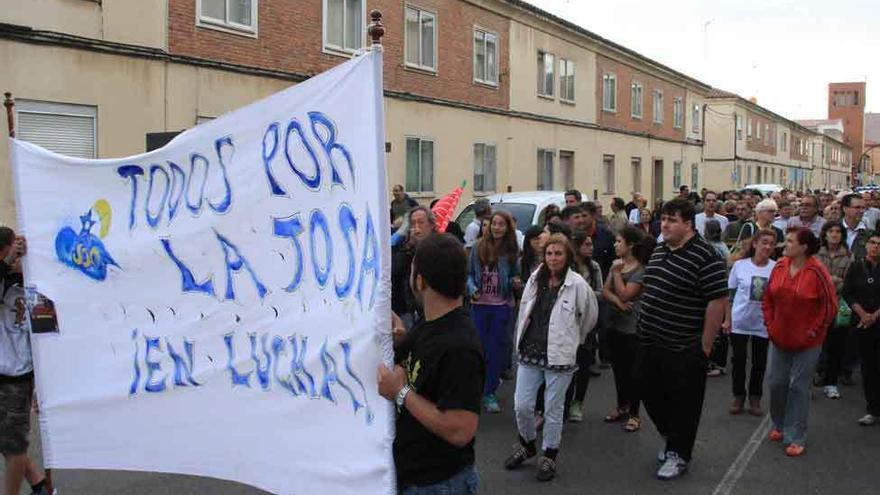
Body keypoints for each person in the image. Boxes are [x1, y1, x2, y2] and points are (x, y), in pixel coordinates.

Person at [379, 233, 485, 494]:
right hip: (417, 476)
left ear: (419, 280)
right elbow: (413, 357)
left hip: (440, 484)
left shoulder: (460, 346)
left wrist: (400, 393)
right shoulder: (429, 322)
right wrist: (400, 338)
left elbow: (461, 429)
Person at [637, 198, 728, 480]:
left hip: (684, 344)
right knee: (648, 391)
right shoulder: (660, 247)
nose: (664, 224)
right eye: (663, 219)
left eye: (672, 220)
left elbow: (717, 300)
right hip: (650, 338)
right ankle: (670, 436)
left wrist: (705, 345)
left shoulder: (706, 256)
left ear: (688, 224)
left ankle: (679, 453)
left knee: (684, 403)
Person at [504, 234, 598, 481]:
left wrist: (573, 340)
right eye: (549, 253)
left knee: (553, 410)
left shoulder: (577, 284)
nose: (553, 258)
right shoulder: (536, 278)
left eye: (558, 253)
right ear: (543, 256)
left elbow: (589, 317)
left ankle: (549, 455)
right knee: (522, 405)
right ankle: (527, 444)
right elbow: (525, 308)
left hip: (559, 356)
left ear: (567, 256)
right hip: (530, 351)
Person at [763, 228, 837, 457]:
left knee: (798, 387)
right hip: (779, 337)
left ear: (804, 247)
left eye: (790, 241)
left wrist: (813, 332)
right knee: (776, 382)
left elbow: (829, 307)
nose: (785, 244)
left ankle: (796, 435)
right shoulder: (780, 266)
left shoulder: (817, 271)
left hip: (807, 342)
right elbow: (768, 298)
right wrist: (770, 324)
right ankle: (779, 423)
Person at [0, 228, 55, 495]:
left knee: (14, 446)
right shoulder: (4, 280)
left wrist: (43, 384)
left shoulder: (38, 286)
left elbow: (47, 336)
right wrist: (8, 263)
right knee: (8, 440)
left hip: (17, 377)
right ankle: (39, 485)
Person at [467, 211, 521, 413]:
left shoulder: (511, 251)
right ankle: (476, 388)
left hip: (501, 306)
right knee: (478, 349)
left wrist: (514, 283)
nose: (496, 227)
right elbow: (470, 275)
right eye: (494, 224)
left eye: (501, 224)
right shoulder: (478, 247)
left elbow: (516, 275)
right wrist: (472, 289)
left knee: (496, 350)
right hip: (480, 305)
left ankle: (489, 392)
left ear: (507, 228)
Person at [602, 226, 650, 432]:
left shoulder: (640, 269)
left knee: (634, 372)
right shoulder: (616, 266)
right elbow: (606, 291)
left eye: (619, 241)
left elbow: (626, 294)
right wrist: (618, 302)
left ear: (630, 245)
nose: (615, 245)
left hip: (633, 328)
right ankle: (622, 406)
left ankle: (635, 414)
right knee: (618, 370)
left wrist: (616, 274)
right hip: (614, 324)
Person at [724, 229, 776, 416]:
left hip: (762, 324)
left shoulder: (776, 268)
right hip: (740, 321)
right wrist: (727, 319)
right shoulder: (740, 266)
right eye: (764, 242)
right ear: (755, 244)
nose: (767, 246)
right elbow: (729, 295)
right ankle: (738, 396)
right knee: (738, 360)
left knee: (759, 362)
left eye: (771, 243)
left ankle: (755, 397)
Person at [564, 232, 604, 423]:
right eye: (587, 244)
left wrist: (583, 296)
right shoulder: (568, 267)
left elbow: (600, 292)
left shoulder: (594, 267)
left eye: (591, 244)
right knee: (568, 363)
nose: (591, 247)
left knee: (584, 364)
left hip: (587, 320)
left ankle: (578, 402)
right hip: (568, 321)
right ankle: (564, 401)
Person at [842, 232, 880, 425]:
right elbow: (848, 292)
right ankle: (873, 409)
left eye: (879, 244)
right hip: (861, 323)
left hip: (877, 320)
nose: (875, 247)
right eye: (872, 243)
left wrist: (874, 315)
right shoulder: (856, 266)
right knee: (868, 366)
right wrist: (863, 314)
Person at [815, 222, 853, 400]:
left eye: (838, 232)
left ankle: (831, 383)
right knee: (812, 345)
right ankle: (808, 381)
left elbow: (849, 282)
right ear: (825, 233)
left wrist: (829, 280)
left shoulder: (848, 256)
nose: (835, 235)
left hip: (837, 305)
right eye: (831, 231)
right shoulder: (816, 253)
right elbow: (812, 277)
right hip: (815, 305)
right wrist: (833, 279)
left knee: (836, 346)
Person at [392, 207, 438, 329]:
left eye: (421, 223)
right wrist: (409, 247)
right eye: (413, 223)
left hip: (434, 309)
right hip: (409, 308)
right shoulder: (406, 248)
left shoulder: (440, 247)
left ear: (431, 225)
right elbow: (395, 269)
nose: (416, 228)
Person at [841, 193, 875, 260]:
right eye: (857, 207)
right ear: (845, 209)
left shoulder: (870, 234)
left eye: (863, 208)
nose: (862, 211)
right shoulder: (833, 229)